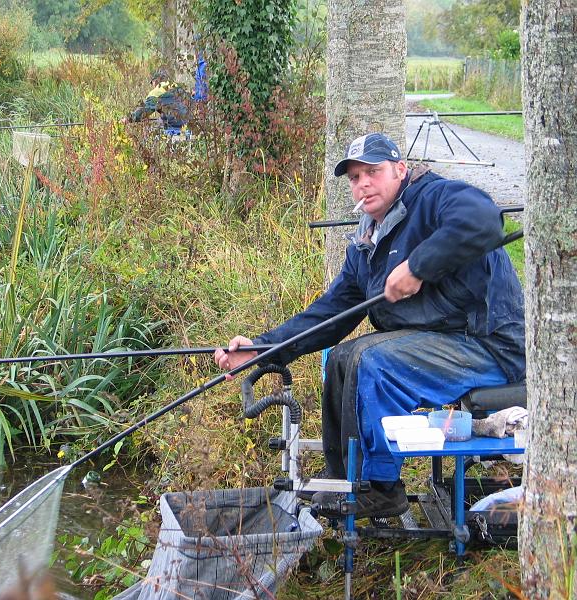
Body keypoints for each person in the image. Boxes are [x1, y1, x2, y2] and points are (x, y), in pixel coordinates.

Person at [213, 132, 526, 518]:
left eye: (373, 172)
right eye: (354, 177)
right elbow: (330, 314)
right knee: (344, 355)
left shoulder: (433, 198)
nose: (363, 183)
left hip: (489, 344)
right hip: (441, 342)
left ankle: (380, 488)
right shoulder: (366, 242)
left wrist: (417, 267)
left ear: (399, 170)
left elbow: (485, 220)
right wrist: (262, 348)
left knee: (371, 361)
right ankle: (345, 478)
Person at [127, 68, 190, 134]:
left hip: (173, 128)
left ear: (156, 80)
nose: (153, 86)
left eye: (152, 83)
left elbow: (144, 112)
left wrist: (129, 119)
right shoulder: (179, 87)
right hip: (188, 127)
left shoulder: (156, 92)